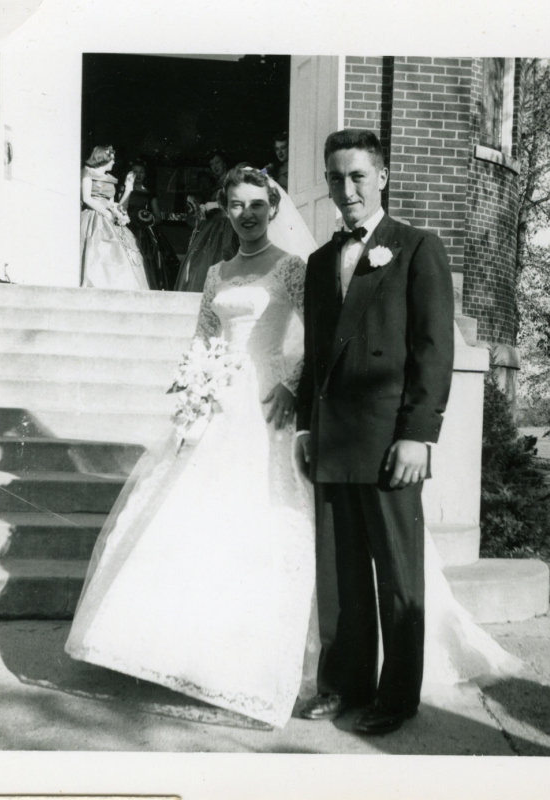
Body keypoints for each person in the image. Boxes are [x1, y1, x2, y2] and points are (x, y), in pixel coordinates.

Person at [66, 164, 521, 730]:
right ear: (224, 210)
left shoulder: (294, 268)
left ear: (274, 209)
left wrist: (289, 383)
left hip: (270, 408)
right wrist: (195, 385)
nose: (248, 215)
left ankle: (339, 676)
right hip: (219, 404)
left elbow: (322, 339)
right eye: (237, 205)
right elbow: (204, 336)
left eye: (257, 205)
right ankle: (187, 652)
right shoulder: (216, 273)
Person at [296, 129, 457, 735]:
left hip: (391, 443)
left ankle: (396, 699)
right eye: (336, 178)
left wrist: (419, 434)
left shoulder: (416, 249)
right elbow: (316, 356)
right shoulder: (320, 262)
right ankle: (342, 685)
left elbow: (434, 350)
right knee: (338, 577)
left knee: (397, 576)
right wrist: (306, 430)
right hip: (333, 440)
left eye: (358, 175)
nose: (347, 189)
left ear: (382, 177)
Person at [80, 145, 149, 290]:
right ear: (103, 158)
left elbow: (112, 203)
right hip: (93, 215)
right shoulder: (88, 173)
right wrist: (105, 212)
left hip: (108, 216)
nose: (113, 162)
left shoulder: (110, 179)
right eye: (112, 159)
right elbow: (86, 198)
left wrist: (118, 210)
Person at [174, 150, 239, 292]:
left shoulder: (231, 178)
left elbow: (235, 200)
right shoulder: (217, 183)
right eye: (212, 164)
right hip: (215, 224)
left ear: (224, 162)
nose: (215, 166)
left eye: (217, 162)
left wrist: (213, 205)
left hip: (227, 224)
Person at [123, 159, 180, 291]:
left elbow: (158, 217)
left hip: (145, 232)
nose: (138, 175)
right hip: (128, 228)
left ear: (145, 174)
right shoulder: (126, 190)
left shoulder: (149, 193)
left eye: (141, 172)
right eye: (135, 172)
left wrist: (147, 220)